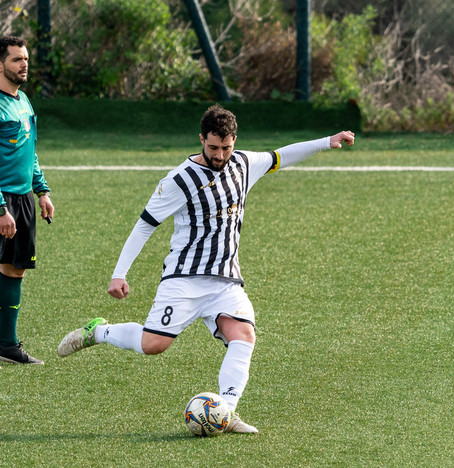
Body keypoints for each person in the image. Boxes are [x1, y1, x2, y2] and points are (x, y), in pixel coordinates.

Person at [58, 103, 354, 432]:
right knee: (153, 345)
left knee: (243, 336)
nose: (220, 154)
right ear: (201, 139)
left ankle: (226, 412)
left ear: (234, 141)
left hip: (226, 281)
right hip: (184, 278)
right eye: (213, 147)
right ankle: (97, 331)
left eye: (226, 147)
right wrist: (119, 273)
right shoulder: (178, 180)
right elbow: (145, 225)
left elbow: (280, 156)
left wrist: (326, 141)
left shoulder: (243, 163)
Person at [0, 36, 54, 365]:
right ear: (0, 64)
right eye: (17, 59)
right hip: (3, 200)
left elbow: (30, 152)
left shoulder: (24, 102)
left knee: (14, 269)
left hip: (22, 200)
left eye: (26, 59)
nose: (24, 65)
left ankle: (6, 345)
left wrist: (42, 190)